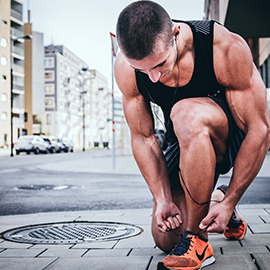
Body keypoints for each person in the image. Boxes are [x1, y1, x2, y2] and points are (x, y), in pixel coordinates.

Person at [114, 1, 270, 269]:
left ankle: (198, 242)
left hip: (226, 137)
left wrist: (233, 198)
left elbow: (260, 128)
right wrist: (162, 198)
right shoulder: (126, 67)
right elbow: (144, 138)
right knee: (165, 237)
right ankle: (214, 200)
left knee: (185, 113)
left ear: (175, 34)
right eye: (143, 70)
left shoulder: (222, 46)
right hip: (183, 141)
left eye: (160, 64)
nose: (152, 78)